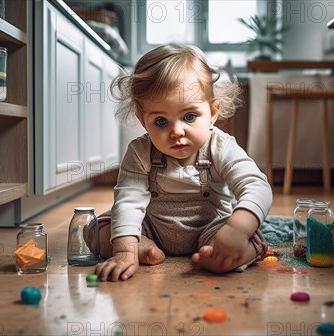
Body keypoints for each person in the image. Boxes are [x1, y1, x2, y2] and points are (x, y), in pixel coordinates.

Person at [84, 43, 273, 281]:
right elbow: (128, 201)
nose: (176, 131)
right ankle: (140, 248)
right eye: (161, 121)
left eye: (189, 117)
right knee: (98, 230)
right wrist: (123, 249)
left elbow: (257, 186)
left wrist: (236, 229)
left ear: (213, 112)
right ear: (144, 121)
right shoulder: (140, 151)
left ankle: (231, 252)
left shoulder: (221, 147)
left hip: (210, 229)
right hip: (151, 228)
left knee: (249, 235)